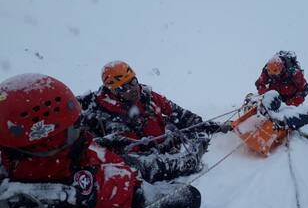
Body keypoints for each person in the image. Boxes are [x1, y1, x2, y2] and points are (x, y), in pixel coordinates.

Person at [0, 74, 201, 208]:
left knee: (168, 179)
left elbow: (89, 151)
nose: (81, 129)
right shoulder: (40, 207)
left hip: (127, 183)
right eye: (74, 125)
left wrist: (108, 142)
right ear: (49, 136)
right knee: (191, 196)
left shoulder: (65, 152)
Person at [78, 61, 231, 183]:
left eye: (133, 81)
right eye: (124, 87)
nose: (133, 89)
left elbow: (178, 113)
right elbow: (139, 165)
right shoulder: (106, 118)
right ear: (114, 91)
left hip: (164, 142)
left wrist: (212, 127)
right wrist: (187, 162)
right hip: (148, 160)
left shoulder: (146, 96)